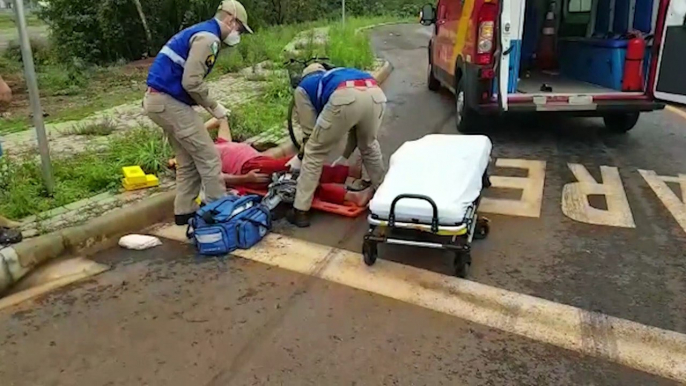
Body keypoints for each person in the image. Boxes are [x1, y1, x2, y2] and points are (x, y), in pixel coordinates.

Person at [143, 0, 252, 226]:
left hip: (157, 100)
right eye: (239, 28)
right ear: (231, 20)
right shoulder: (209, 39)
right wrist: (215, 107)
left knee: (187, 159)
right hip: (168, 101)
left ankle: (184, 212)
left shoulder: (199, 31)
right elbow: (191, 82)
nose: (238, 34)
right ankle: (218, 214)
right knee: (209, 157)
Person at [169, 119, 374, 207]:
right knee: (304, 168)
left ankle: (350, 194)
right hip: (250, 168)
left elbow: (221, 119)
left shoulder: (218, 143)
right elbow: (215, 177)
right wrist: (245, 178)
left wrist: (198, 130)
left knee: (300, 181)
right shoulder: (198, 157)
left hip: (258, 161)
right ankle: (350, 174)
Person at [287, 64, 387, 227]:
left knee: (314, 152)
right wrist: (344, 157)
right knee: (369, 146)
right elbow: (355, 132)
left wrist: (301, 156)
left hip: (345, 96)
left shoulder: (302, 89)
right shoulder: (335, 75)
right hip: (375, 92)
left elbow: (309, 134)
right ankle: (384, 196)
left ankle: (300, 210)